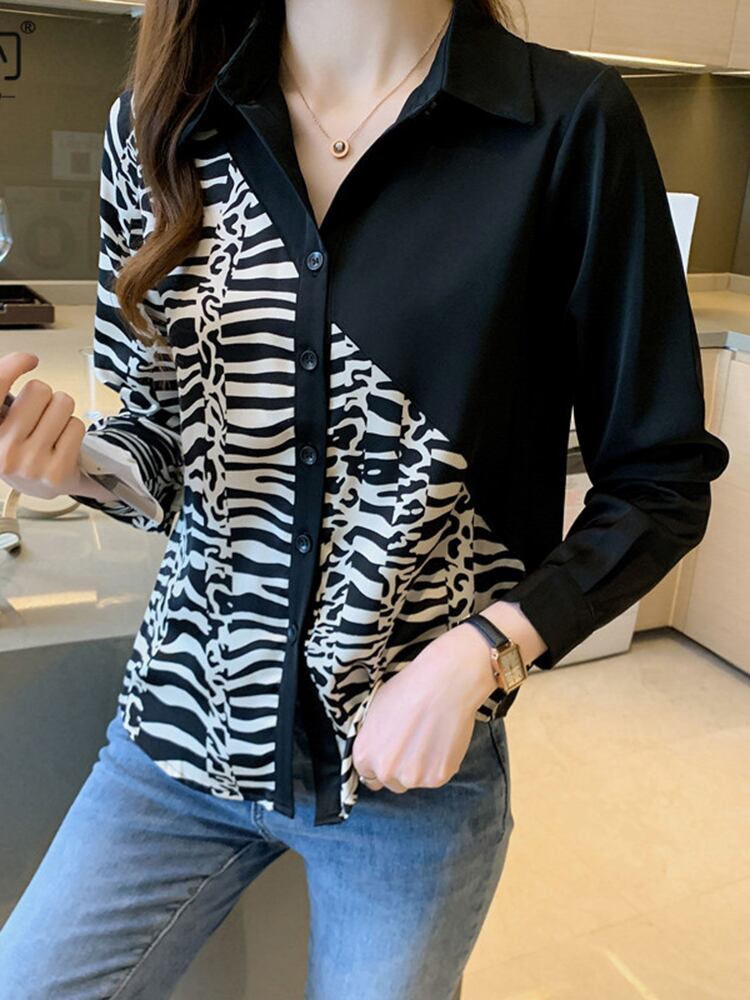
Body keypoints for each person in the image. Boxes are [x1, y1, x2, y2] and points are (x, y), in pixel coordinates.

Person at [0, 0, 730, 997]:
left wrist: (486, 651)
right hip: (182, 723)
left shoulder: (564, 124)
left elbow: (660, 477)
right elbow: (163, 448)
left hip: (408, 777)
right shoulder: (161, 121)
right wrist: (65, 461)